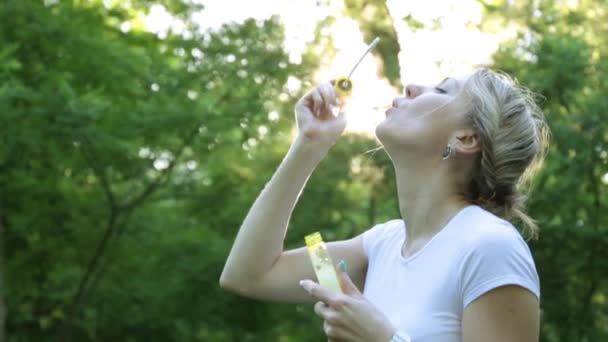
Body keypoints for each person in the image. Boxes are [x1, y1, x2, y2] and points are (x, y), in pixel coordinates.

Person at [220, 68, 549, 342]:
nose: (412, 87)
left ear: (465, 138)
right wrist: (309, 145)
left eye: (442, 89)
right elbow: (250, 274)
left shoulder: (489, 245)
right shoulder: (379, 246)